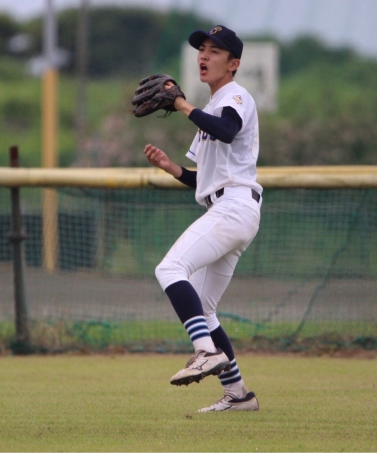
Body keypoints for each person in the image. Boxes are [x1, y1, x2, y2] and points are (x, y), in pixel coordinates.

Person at [143, 25, 262, 412]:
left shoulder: (236, 96)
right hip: (228, 207)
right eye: (202, 49)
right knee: (205, 309)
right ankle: (239, 395)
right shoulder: (210, 109)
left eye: (215, 51)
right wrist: (171, 168)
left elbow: (226, 131)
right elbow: (206, 179)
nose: (204, 56)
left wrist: (180, 104)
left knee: (170, 268)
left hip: (235, 206)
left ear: (234, 63)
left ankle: (205, 352)